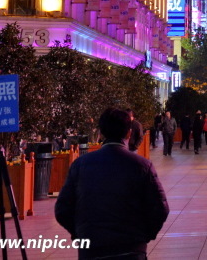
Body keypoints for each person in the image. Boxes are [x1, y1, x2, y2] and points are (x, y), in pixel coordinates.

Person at [55, 108, 169, 259]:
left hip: (92, 249)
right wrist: (144, 235)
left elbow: (62, 209)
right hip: (131, 248)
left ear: (101, 133)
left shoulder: (81, 164)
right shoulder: (141, 165)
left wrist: (80, 234)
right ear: (129, 133)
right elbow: (160, 208)